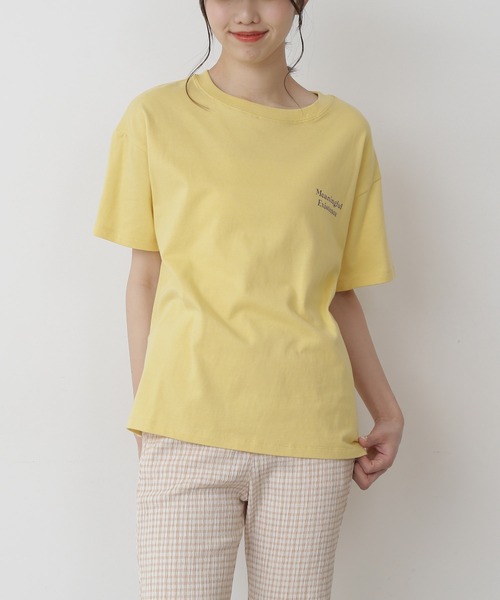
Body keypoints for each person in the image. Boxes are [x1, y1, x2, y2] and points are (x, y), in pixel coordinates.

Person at [93, 1, 404, 598]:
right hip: (184, 425)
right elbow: (144, 277)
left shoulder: (345, 132)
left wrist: (387, 412)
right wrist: (148, 412)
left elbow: (338, 291)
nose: (246, 13)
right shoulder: (154, 117)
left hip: (309, 437)